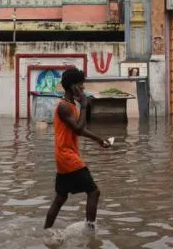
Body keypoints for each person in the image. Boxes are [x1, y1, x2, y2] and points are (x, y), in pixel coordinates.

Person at [44, 68, 111, 233]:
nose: (83, 90)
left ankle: (46, 233)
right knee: (94, 192)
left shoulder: (70, 105)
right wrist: (84, 106)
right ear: (72, 87)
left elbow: (78, 129)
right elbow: (78, 130)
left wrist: (98, 140)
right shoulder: (64, 107)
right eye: (80, 87)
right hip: (68, 158)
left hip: (63, 158)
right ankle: (90, 230)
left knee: (60, 198)